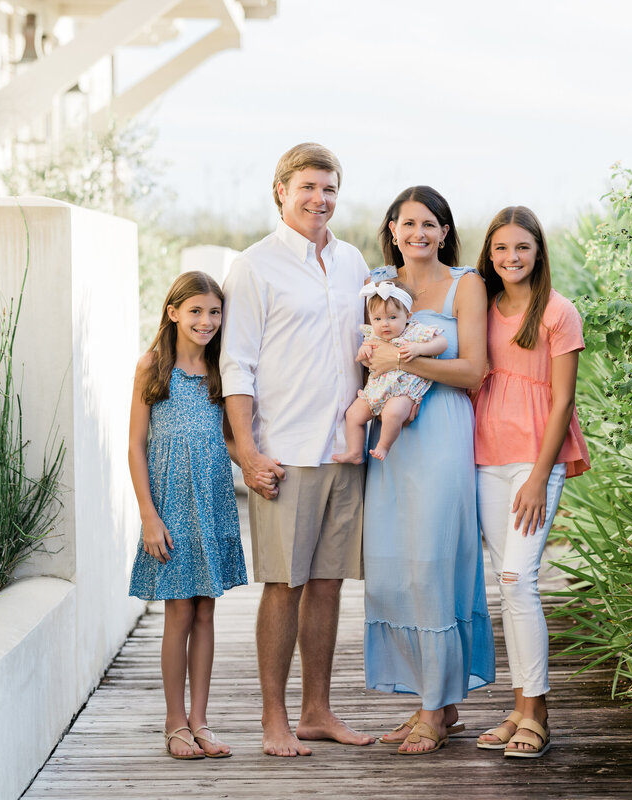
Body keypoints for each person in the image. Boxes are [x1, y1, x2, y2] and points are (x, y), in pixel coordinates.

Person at [219, 142, 375, 757]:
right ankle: (273, 719)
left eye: (330, 188)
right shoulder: (254, 266)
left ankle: (317, 710)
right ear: (281, 191)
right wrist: (248, 452)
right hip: (284, 451)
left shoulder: (354, 260)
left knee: (329, 583)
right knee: (283, 584)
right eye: (308, 186)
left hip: (342, 448)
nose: (320, 198)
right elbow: (237, 365)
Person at [361, 186, 496, 755]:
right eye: (407, 223)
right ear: (392, 228)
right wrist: (375, 357)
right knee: (395, 566)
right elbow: (364, 349)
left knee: (434, 563)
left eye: (429, 224)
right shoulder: (376, 284)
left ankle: (435, 710)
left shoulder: (468, 284)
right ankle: (434, 702)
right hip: (389, 439)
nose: (418, 233)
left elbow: (474, 371)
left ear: (445, 232)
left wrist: (406, 358)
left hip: (440, 430)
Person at [471, 206, 591, 758]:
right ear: (489, 255)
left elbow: (563, 398)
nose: (510, 258)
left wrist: (539, 478)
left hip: (535, 462)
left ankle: (537, 713)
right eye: (500, 249)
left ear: (538, 250)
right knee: (506, 583)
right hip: (484, 455)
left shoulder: (557, 313)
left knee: (519, 579)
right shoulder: (483, 306)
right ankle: (520, 708)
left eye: (521, 247)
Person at [127, 271, 250, 760]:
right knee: (178, 610)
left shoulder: (223, 371)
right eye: (196, 310)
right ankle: (174, 722)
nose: (206, 321)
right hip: (171, 505)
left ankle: (201, 720)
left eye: (215, 312)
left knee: (206, 610)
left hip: (213, 500)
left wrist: (258, 468)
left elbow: (227, 440)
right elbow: (136, 446)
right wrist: (148, 515)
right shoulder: (152, 366)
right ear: (173, 311)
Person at [332, 280, 446, 463]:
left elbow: (442, 343)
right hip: (376, 389)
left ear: (407, 316)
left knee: (391, 414)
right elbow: (362, 358)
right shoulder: (373, 336)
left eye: (392, 317)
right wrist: (364, 352)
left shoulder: (414, 332)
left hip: (402, 391)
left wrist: (419, 349)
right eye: (377, 319)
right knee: (353, 415)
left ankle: (384, 446)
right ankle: (355, 451)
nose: (384, 324)